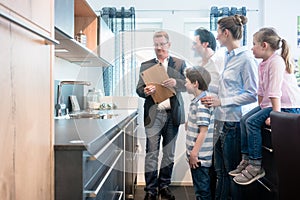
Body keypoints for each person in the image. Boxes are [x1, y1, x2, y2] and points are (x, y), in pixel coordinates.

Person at [230, 27, 300, 185]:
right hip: (273, 103)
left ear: (264, 45)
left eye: (254, 44)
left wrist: (275, 118)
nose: (251, 47)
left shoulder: (276, 62)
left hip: (286, 106)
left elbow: (275, 92)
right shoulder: (263, 63)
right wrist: (261, 109)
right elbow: (261, 91)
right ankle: (246, 159)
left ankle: (256, 166)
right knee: (244, 120)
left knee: (251, 122)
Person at [201, 15, 258, 200]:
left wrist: (221, 102)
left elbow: (252, 93)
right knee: (220, 173)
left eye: (218, 32)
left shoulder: (246, 58)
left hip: (233, 123)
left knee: (232, 174)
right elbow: (226, 88)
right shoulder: (227, 56)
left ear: (226, 33)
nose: (216, 37)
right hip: (220, 120)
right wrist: (205, 88)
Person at [136, 31, 187, 200]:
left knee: (169, 154)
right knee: (151, 153)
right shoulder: (146, 65)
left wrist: (176, 83)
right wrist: (145, 91)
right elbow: (138, 89)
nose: (159, 48)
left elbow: (188, 85)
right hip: (153, 115)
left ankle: (164, 185)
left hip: (172, 115)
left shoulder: (179, 64)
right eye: (156, 44)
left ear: (169, 45)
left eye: (162, 44)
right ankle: (151, 189)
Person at [192, 27, 224, 199]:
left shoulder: (219, 61)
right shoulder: (202, 65)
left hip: (217, 119)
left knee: (215, 168)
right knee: (207, 165)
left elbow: (224, 90)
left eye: (194, 43)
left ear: (205, 44)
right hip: (206, 118)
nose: (192, 47)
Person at [184, 66, 214, 200]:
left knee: (202, 192)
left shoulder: (201, 104)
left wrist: (194, 154)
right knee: (202, 189)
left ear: (195, 83)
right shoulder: (199, 101)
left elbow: (203, 131)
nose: (185, 84)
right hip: (199, 156)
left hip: (199, 158)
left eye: (187, 81)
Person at [192, 27, 224, 96]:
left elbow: (226, 89)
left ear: (205, 44)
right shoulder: (196, 64)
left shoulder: (220, 62)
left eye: (195, 44)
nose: (192, 47)